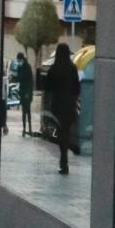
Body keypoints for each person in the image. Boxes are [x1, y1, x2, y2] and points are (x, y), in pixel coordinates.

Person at [46, 43, 81, 175]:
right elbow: (77, 88)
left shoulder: (54, 68)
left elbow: (48, 87)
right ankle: (65, 156)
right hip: (69, 105)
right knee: (66, 131)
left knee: (60, 132)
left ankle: (63, 159)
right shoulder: (72, 68)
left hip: (57, 105)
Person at [13, 52, 34, 136]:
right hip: (22, 92)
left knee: (27, 111)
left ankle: (29, 129)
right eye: (17, 60)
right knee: (23, 111)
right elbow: (19, 78)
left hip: (27, 92)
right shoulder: (19, 67)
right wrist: (14, 77)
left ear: (22, 59)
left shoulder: (28, 67)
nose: (18, 62)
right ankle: (24, 129)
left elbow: (30, 82)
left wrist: (29, 93)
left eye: (19, 60)